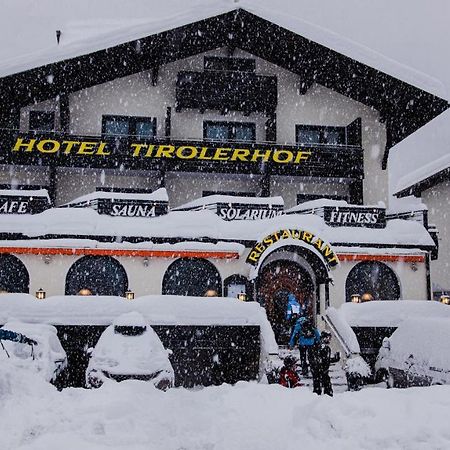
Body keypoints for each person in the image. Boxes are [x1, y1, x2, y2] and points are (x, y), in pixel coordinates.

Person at [310, 330, 340, 396]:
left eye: (330, 338)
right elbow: (316, 359)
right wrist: (319, 367)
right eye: (328, 338)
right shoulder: (318, 346)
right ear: (324, 337)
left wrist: (336, 359)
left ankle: (328, 399)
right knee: (318, 389)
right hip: (318, 371)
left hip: (324, 371)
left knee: (327, 388)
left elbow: (327, 360)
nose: (329, 340)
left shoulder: (327, 348)